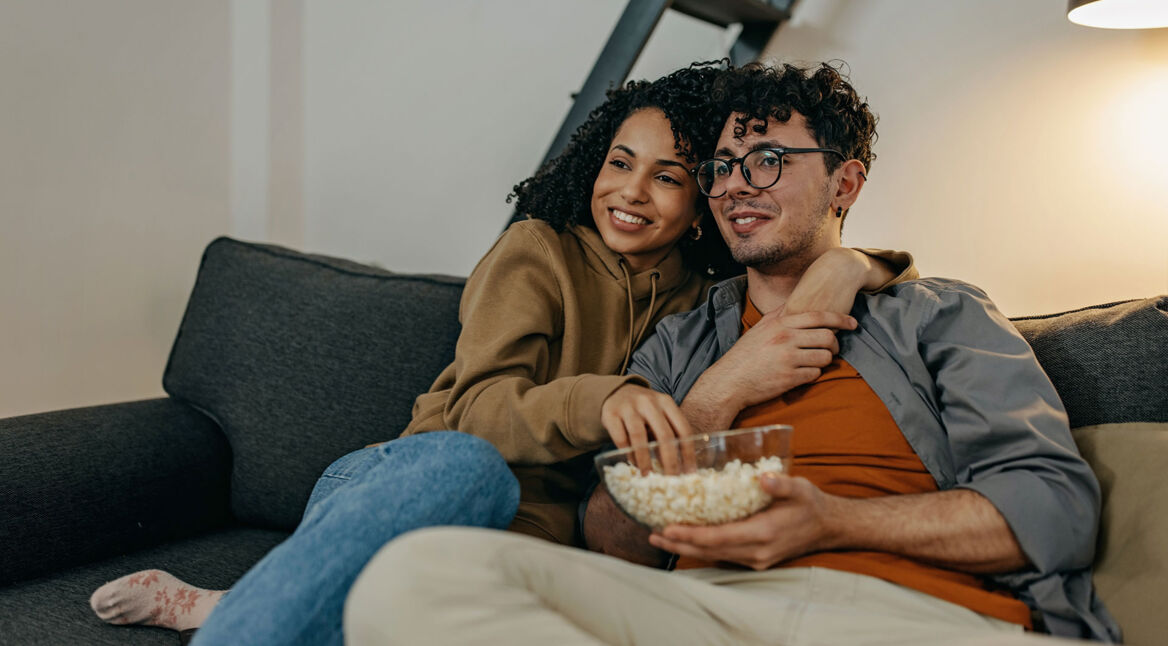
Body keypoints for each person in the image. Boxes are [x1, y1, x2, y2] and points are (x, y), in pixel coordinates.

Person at [88, 63, 914, 645]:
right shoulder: (537, 252)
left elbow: (836, 260)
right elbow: (479, 411)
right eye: (618, 163)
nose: (629, 191)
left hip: (529, 547)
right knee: (472, 474)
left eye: (668, 177)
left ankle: (245, 604)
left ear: (705, 200)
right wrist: (602, 399)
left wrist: (850, 264)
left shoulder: (706, 301)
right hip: (416, 482)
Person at [343, 62, 1121, 645]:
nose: (735, 186)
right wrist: (712, 399)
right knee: (415, 577)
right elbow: (612, 540)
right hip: (705, 613)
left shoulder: (938, 314)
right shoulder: (684, 337)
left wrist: (831, 522)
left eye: (769, 160)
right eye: (720, 167)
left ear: (844, 183)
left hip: (912, 614)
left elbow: (1056, 514)